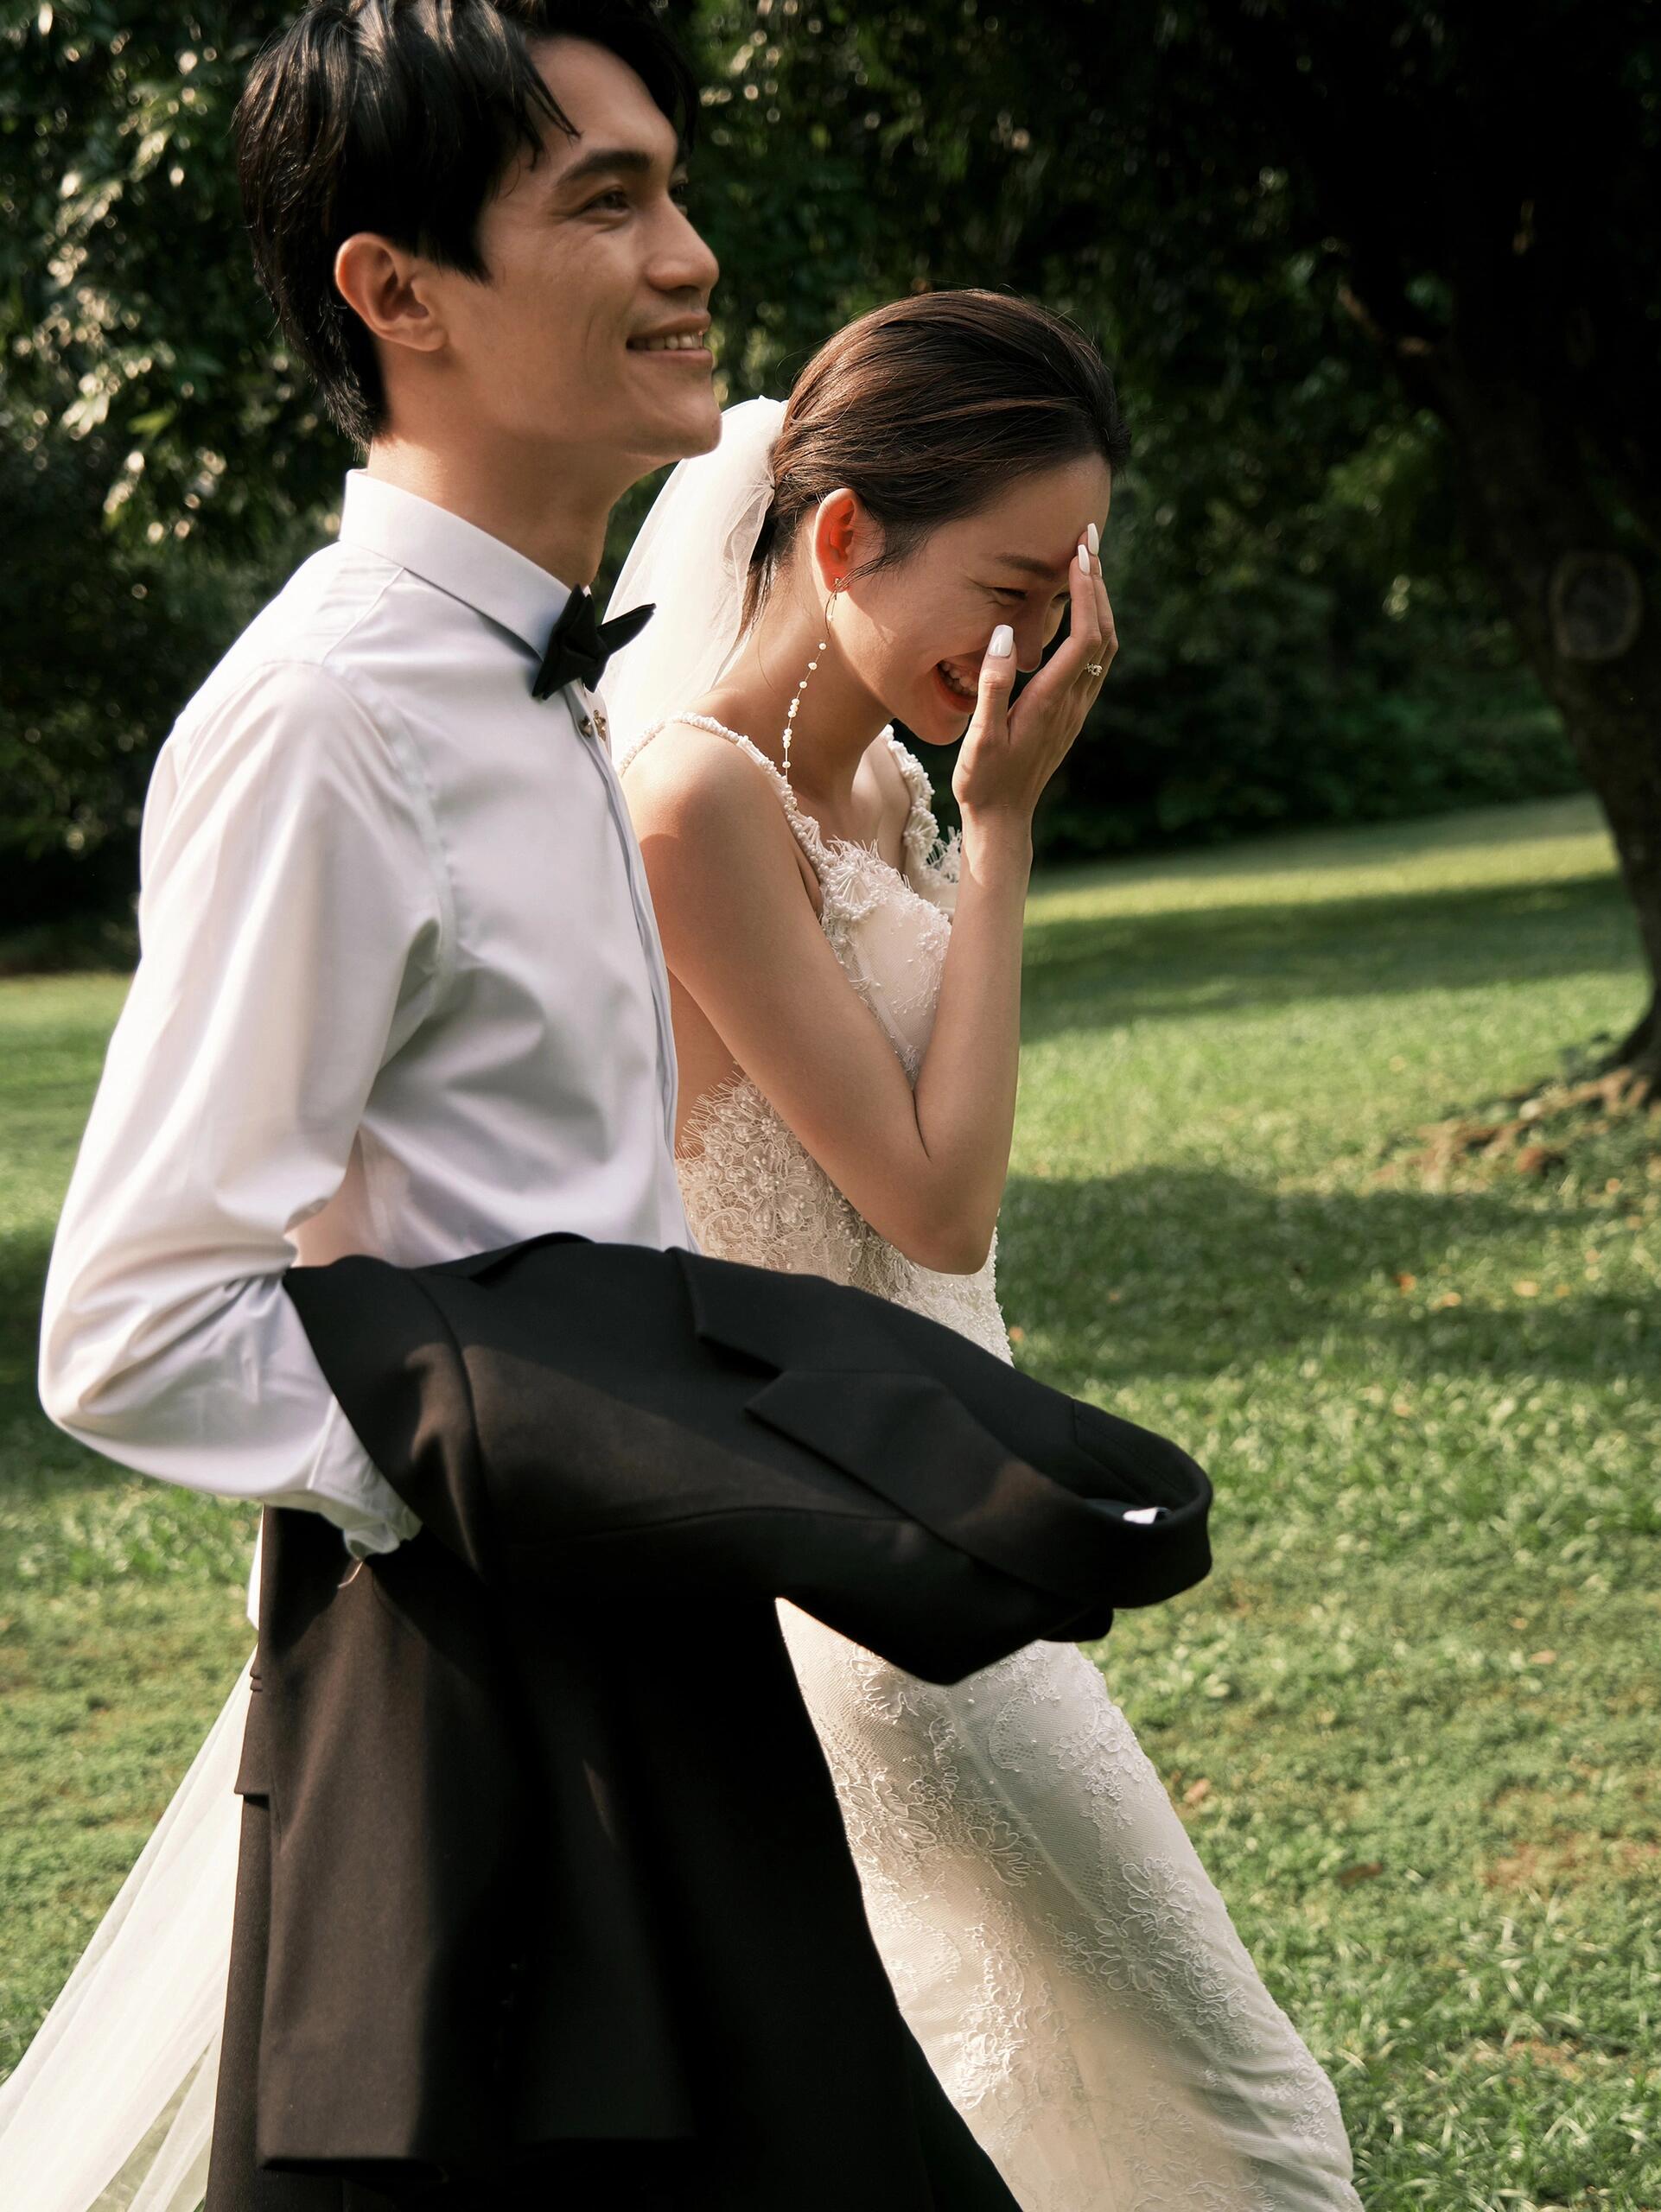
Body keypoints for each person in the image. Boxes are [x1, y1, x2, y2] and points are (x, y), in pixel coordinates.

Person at [7, 3, 721, 2205]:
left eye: (676, 188)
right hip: (476, 1699)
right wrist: (498, 1485)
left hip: (661, 1640)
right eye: (607, 200)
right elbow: (132, 1319)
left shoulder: (539, 669)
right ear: (395, 289)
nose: (690, 255)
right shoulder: (330, 718)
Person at [606, 293, 1366, 2209]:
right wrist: (1004, 834)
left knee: (1037, 2128)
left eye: (1069, 590)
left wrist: (963, 809)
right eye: (1011, 587)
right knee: (1251, 2120)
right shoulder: (695, 799)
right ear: (844, 534)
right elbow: (934, 1201)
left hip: (965, 1501)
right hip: (862, 1563)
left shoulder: (871, 778)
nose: (1036, 641)